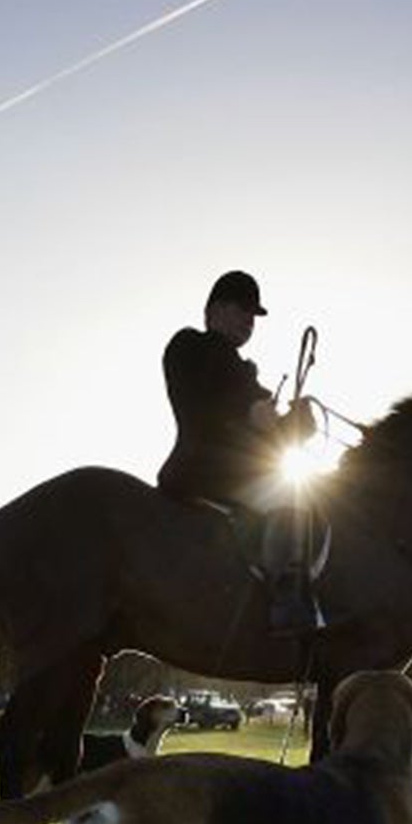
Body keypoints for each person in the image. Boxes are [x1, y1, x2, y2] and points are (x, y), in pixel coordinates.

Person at [156, 270, 318, 636]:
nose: (250, 320)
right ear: (214, 309)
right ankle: (289, 600)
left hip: (219, 470)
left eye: (254, 315)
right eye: (242, 309)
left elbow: (264, 429)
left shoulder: (235, 366)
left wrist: (293, 424)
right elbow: (254, 416)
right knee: (295, 494)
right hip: (206, 468)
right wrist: (283, 421)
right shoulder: (197, 346)